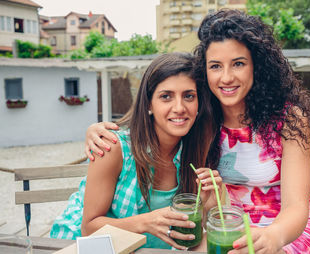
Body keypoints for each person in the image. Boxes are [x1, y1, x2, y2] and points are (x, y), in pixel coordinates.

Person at [85, 10, 310, 254]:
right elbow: (153, 118)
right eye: (215, 66)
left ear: (257, 66)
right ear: (205, 70)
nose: (226, 77)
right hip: (224, 229)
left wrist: (273, 236)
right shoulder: (201, 117)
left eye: (238, 64)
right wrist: (96, 130)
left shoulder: (288, 119)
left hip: (287, 232)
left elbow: (296, 207)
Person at [50, 52, 223, 251]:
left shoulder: (197, 148)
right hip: (84, 246)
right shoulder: (113, 146)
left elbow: (188, 229)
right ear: (149, 103)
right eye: (166, 96)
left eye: (189, 96)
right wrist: (146, 222)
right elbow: (89, 228)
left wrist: (206, 204)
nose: (179, 107)